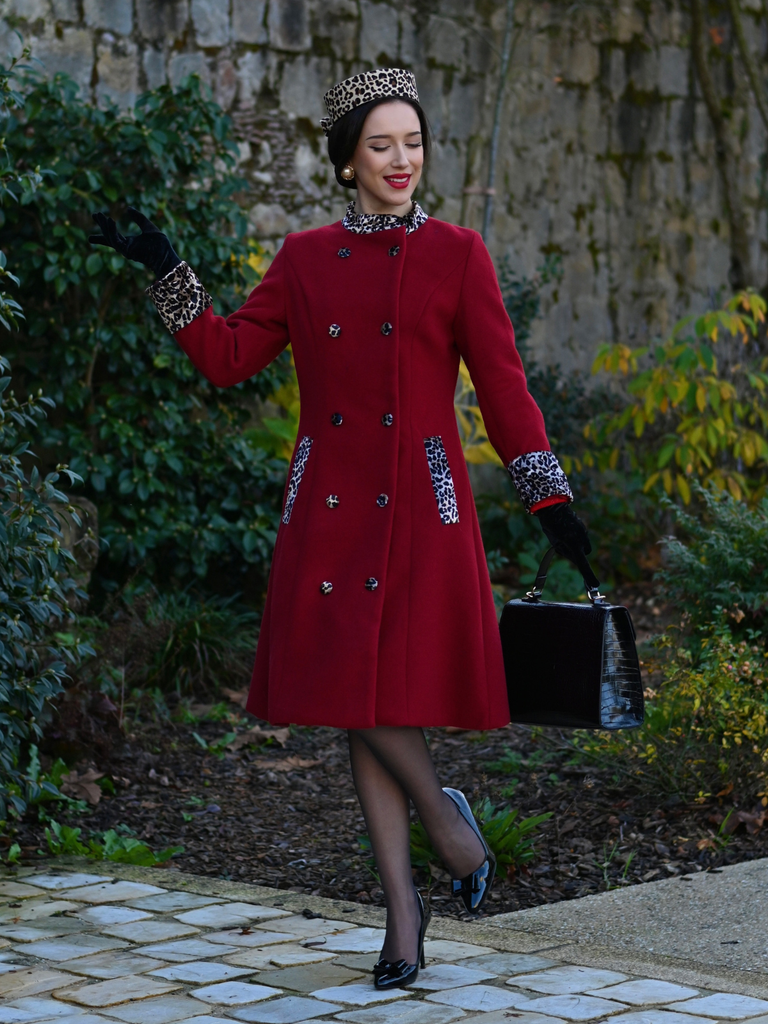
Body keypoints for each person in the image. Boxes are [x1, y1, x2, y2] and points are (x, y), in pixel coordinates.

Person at [89, 68, 592, 990]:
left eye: (414, 143)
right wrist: (169, 274)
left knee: (375, 703)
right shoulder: (306, 259)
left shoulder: (460, 254)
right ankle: (422, 878)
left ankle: (430, 863)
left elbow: (503, 385)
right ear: (346, 163)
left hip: (424, 507)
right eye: (381, 145)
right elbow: (231, 357)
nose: (403, 161)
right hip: (328, 511)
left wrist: (546, 494)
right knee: (350, 702)